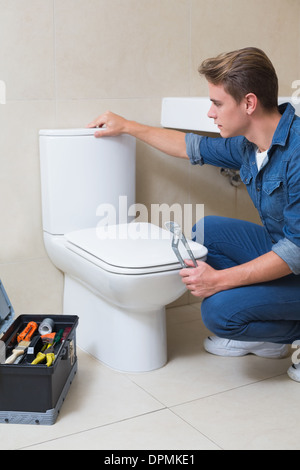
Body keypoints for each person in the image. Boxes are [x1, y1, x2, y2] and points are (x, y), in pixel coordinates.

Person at [87, 47, 300, 382]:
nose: (210, 114)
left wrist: (220, 280)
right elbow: (191, 147)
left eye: (217, 103)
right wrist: (127, 126)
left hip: (296, 259)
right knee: (207, 231)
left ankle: (278, 328)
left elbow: (297, 251)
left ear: (249, 103)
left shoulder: (298, 153)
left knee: (219, 313)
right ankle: (267, 336)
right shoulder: (250, 144)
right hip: (287, 256)